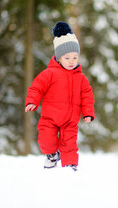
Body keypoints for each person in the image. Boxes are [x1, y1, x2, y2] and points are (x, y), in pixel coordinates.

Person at [25, 22, 95, 171]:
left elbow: (87, 96)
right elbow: (37, 88)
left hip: (70, 120)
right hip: (50, 117)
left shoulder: (81, 78)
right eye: (67, 58)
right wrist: (32, 101)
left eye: (75, 58)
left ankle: (70, 165)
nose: (71, 62)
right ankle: (51, 155)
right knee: (46, 140)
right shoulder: (49, 74)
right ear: (58, 58)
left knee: (69, 144)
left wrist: (88, 113)